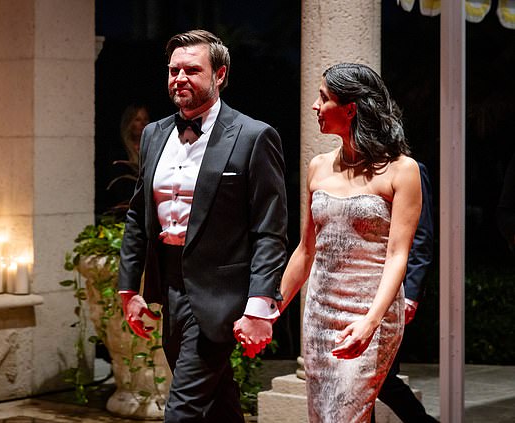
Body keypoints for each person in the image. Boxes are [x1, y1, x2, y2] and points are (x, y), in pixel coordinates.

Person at [117, 29, 288, 422]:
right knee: (220, 403)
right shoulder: (155, 134)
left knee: (183, 411)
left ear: (220, 75)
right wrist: (130, 288)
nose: (180, 78)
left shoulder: (254, 136)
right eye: (174, 70)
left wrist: (260, 306)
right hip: (171, 285)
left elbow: (269, 230)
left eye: (192, 70)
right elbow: (137, 215)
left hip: (220, 293)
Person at [277, 63, 422, 422]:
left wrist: (370, 322)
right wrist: (269, 310)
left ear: (351, 108)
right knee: (324, 415)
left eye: (323, 98)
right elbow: (306, 250)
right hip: (320, 315)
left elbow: (397, 256)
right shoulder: (318, 167)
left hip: (370, 315)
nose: (315, 105)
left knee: (344, 415)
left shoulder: (402, 170)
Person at [372, 162, 438, 422]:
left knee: (383, 377)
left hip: (394, 290)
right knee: (373, 378)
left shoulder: (411, 169)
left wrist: (410, 293)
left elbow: (421, 238)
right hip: (359, 287)